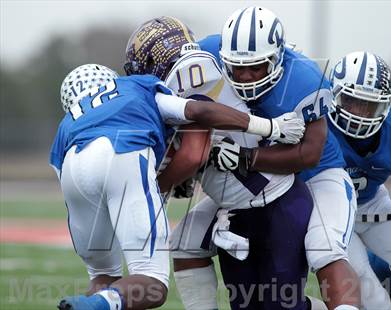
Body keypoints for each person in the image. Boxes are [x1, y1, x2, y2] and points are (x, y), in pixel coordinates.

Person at [51, 51, 303, 310]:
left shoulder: (67, 123)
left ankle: (95, 302)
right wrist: (270, 127)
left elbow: (72, 185)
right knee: (152, 283)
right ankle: (95, 305)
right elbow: (198, 110)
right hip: (122, 153)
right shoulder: (133, 86)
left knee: (103, 276)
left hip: (72, 167)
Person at [123, 16, 318, 309]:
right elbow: (202, 146)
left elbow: (193, 153)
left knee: (281, 305)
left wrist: (154, 189)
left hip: (275, 203)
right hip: (240, 208)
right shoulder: (196, 70)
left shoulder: (188, 74)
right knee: (243, 298)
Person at [177, 7, 361, 310]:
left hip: (315, 176)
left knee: (324, 247)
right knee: (186, 241)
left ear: (277, 58)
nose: (246, 76)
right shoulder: (207, 54)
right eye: (237, 68)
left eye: (256, 67)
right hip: (255, 183)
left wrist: (245, 157)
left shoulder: (303, 79)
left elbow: (310, 154)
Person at [328, 51, 391, 309]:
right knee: (372, 301)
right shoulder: (316, 121)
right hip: (328, 216)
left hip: (372, 205)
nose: (358, 113)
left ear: (386, 106)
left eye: (368, 105)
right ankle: (379, 265)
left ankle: (383, 263)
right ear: (333, 96)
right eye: (350, 101)